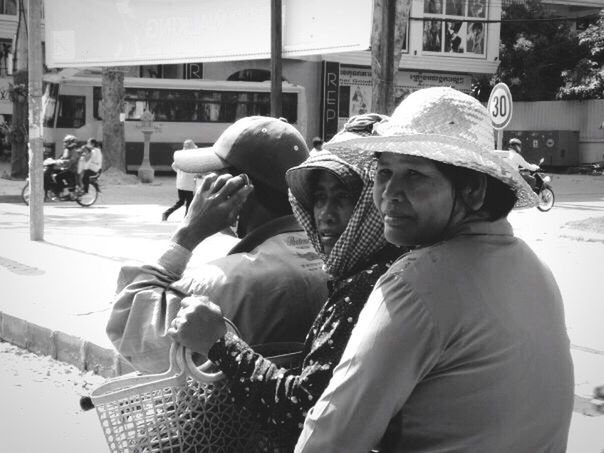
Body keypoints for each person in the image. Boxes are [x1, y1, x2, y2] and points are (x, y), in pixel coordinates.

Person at [295, 87, 574, 452]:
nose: (389, 193)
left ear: (472, 189)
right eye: (384, 172)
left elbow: (329, 440)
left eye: (414, 175)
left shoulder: (415, 281)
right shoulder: (534, 268)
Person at [167, 114, 405, 450]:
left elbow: (304, 409)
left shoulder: (368, 283)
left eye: (343, 198)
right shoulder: (354, 270)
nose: (325, 214)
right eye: (319, 197)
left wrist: (220, 341)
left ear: (372, 201)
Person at [106, 116, 328, 373]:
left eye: (210, 179)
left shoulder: (216, 285)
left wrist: (187, 234)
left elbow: (130, 333)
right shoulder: (333, 262)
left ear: (237, 189)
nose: (201, 189)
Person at [162, 139, 197, 221]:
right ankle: (186, 218)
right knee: (189, 202)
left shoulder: (180, 156)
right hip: (188, 185)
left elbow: (173, 165)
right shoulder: (190, 158)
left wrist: (179, 172)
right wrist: (196, 175)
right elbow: (190, 171)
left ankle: (167, 213)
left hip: (180, 184)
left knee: (181, 201)